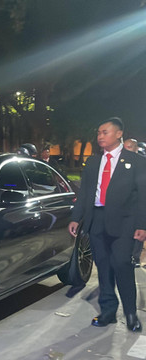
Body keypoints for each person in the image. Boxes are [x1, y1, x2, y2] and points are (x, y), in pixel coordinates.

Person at [67, 117, 146, 332]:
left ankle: (130, 314)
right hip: (97, 221)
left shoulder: (136, 161)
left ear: (119, 133)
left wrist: (142, 225)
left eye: (105, 132)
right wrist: (76, 217)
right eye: (99, 132)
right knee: (104, 268)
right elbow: (84, 193)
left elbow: (143, 195)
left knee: (122, 265)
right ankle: (108, 312)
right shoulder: (93, 162)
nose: (100, 136)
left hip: (124, 223)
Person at [124, 139, 143, 267]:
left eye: (130, 147)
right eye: (124, 148)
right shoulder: (118, 163)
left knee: (138, 230)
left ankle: (135, 257)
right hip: (123, 206)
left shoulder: (142, 163)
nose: (126, 150)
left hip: (138, 205)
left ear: (136, 149)